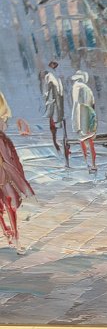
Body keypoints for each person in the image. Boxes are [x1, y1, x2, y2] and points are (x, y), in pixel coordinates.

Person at [0, 92, 35, 254]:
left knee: (7, 203)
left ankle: (10, 233)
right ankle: (13, 236)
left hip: (4, 172)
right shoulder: (3, 140)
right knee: (9, 203)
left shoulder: (3, 139)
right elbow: (11, 161)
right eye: (4, 121)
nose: (5, 124)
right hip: (4, 172)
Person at [42, 60, 69, 167]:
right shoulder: (49, 76)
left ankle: (62, 145)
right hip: (53, 101)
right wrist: (48, 100)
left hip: (59, 102)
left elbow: (61, 91)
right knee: (53, 122)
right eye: (53, 65)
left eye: (55, 65)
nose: (54, 66)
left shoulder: (58, 76)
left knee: (60, 121)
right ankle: (56, 144)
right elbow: (46, 90)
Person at [71, 70, 97, 172]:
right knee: (89, 140)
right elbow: (93, 106)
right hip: (89, 114)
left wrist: (76, 124)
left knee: (82, 139)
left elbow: (76, 104)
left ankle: (88, 163)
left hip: (82, 115)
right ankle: (93, 164)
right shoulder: (88, 89)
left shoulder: (76, 87)